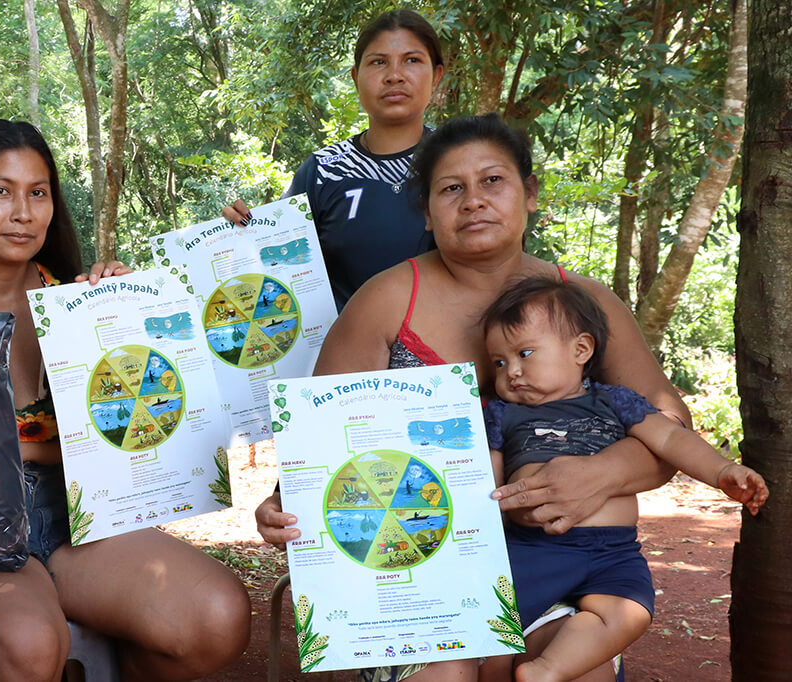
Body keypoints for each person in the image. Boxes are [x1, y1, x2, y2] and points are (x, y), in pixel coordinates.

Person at [255, 114, 693, 682]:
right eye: (451, 188)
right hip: (415, 569)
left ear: (529, 194)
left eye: (493, 181)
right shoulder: (385, 301)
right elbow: (319, 437)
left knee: (575, 669)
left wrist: (603, 473)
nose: (473, 201)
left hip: (563, 565)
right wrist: (282, 501)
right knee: (444, 675)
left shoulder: (583, 303)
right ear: (427, 209)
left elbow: (670, 421)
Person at [0, 120, 250, 682]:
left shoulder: (79, 304)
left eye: (38, 193)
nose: (22, 211)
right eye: (1, 190)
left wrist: (126, 310)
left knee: (216, 617)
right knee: (26, 644)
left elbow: (140, 426)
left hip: (72, 517)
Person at [481, 276, 768, 681]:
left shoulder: (614, 401)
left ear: (581, 349)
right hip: (533, 551)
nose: (511, 371)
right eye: (499, 362)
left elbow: (670, 436)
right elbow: (487, 484)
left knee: (631, 611)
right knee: (494, 631)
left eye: (525, 353)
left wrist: (722, 471)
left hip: (613, 552)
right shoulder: (503, 414)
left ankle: (547, 670)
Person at [223, 8, 445, 310]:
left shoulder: (459, 159)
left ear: (437, 75)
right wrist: (237, 238)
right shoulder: (323, 171)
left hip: (451, 353)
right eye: (378, 62)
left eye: (412, 60)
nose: (395, 76)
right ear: (356, 77)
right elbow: (272, 266)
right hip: (347, 353)